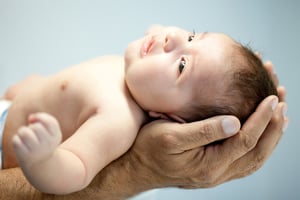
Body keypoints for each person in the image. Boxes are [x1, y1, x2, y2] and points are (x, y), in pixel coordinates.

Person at [0, 25, 286, 196]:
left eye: (182, 65)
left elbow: (75, 170)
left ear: (169, 118)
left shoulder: (118, 118)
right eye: (193, 36)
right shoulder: (141, 71)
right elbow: (167, 35)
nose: (170, 39)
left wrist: (42, 158)